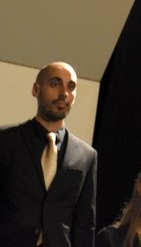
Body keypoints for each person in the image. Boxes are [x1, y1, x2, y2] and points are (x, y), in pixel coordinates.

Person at [0, 61, 97, 247]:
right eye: (55, 84)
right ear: (36, 89)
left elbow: (85, 225)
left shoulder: (86, 156)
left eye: (71, 87)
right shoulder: (5, 140)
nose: (64, 93)